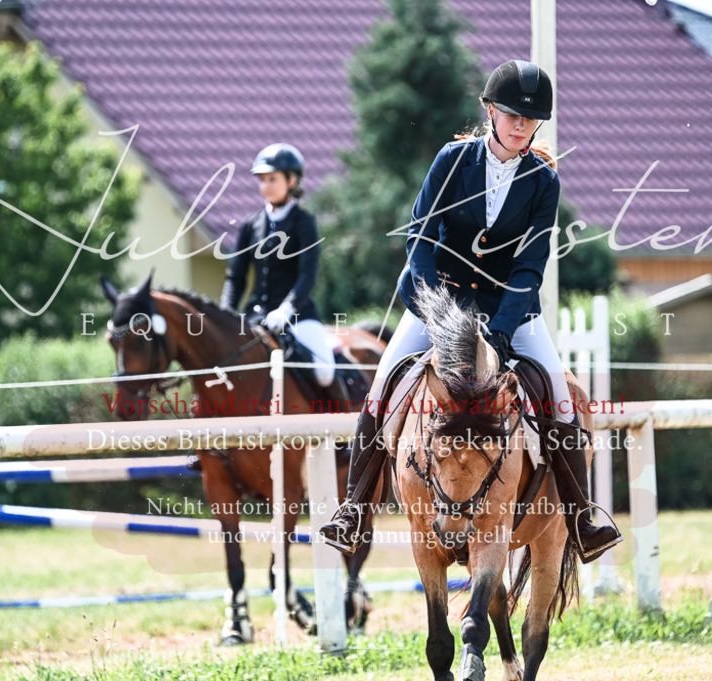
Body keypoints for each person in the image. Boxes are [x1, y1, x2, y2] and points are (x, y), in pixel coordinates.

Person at [319, 60, 621, 563]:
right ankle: (353, 510)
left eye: (530, 118)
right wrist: (440, 315)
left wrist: (502, 330)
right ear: (490, 111)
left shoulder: (543, 180)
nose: (520, 124)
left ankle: (581, 517)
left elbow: (529, 266)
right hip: (436, 301)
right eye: (511, 115)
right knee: (381, 392)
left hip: (511, 310)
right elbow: (420, 238)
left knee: (560, 400)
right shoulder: (453, 160)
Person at [220, 143, 335, 389]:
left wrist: (286, 309)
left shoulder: (304, 223)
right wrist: (226, 312)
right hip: (255, 316)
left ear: (292, 181)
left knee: (325, 371)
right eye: (262, 180)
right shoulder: (251, 225)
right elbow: (236, 277)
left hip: (297, 316)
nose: (266, 186)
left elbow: (307, 274)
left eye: (273, 179)